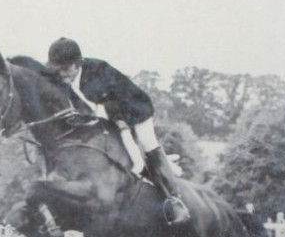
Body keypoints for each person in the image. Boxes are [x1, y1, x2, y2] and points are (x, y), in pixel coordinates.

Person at [41, 37, 190, 224]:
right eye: (57, 69)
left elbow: (108, 106)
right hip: (106, 115)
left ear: (77, 64)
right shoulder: (64, 76)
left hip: (135, 110)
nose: (61, 74)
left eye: (64, 69)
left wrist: (121, 126)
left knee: (147, 144)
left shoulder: (98, 71)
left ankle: (174, 200)